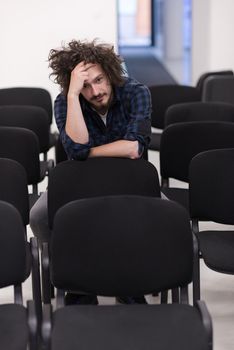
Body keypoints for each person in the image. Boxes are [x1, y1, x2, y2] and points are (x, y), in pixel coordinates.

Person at [30, 38, 152, 305]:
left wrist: (87, 153)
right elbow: (76, 148)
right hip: (82, 182)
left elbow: (133, 148)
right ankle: (76, 280)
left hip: (129, 181)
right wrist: (73, 96)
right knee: (40, 216)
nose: (95, 91)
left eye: (99, 80)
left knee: (160, 215)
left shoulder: (137, 92)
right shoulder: (66, 101)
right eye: (85, 86)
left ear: (110, 73)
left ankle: (131, 281)